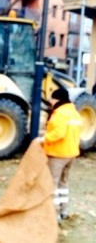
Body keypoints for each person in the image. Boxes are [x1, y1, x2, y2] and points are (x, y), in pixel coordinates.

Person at [36, 88, 82, 222]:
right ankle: (64, 210)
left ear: (57, 100)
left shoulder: (60, 114)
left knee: (52, 184)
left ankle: (54, 214)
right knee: (63, 183)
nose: (50, 101)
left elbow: (59, 133)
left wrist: (44, 139)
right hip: (71, 154)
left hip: (58, 154)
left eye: (51, 98)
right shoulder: (74, 113)